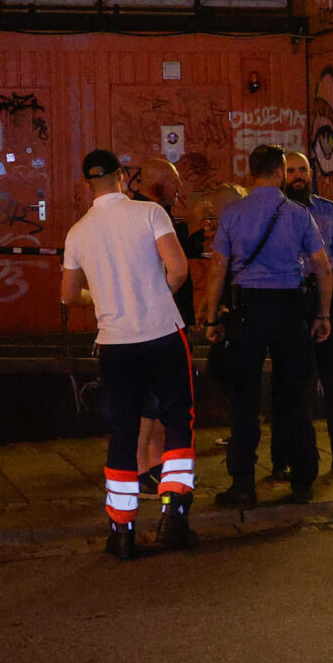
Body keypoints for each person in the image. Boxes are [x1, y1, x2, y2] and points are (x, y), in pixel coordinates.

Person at [61, 150, 197, 559]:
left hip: (115, 344)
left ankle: (121, 530)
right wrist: (152, 296)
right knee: (177, 421)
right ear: (122, 176)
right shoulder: (150, 213)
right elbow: (178, 269)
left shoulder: (77, 233)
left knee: (122, 431)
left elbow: (68, 296)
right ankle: (174, 515)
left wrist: (105, 298)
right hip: (162, 335)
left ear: (87, 184)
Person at [206, 143, 331, 507]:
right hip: (290, 311)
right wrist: (322, 315)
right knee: (293, 397)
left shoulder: (233, 215)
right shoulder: (297, 214)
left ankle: (243, 483)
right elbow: (322, 267)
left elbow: (217, 269)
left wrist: (213, 317)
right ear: (279, 172)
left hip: (248, 312)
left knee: (245, 400)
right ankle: (303, 480)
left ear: (252, 172)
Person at [273, 151, 333, 479]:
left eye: (303, 170)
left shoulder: (326, 210)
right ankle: (285, 457)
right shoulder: (276, 211)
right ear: (281, 174)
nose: (298, 176)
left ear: (311, 173)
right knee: (293, 384)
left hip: (328, 296)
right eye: (291, 170)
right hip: (291, 299)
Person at [127, 156, 198, 491]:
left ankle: (153, 461)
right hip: (157, 321)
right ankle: (145, 467)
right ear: (158, 185)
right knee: (154, 400)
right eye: (174, 183)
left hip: (149, 320)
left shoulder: (143, 212)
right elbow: (174, 266)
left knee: (152, 401)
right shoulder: (151, 214)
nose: (179, 190)